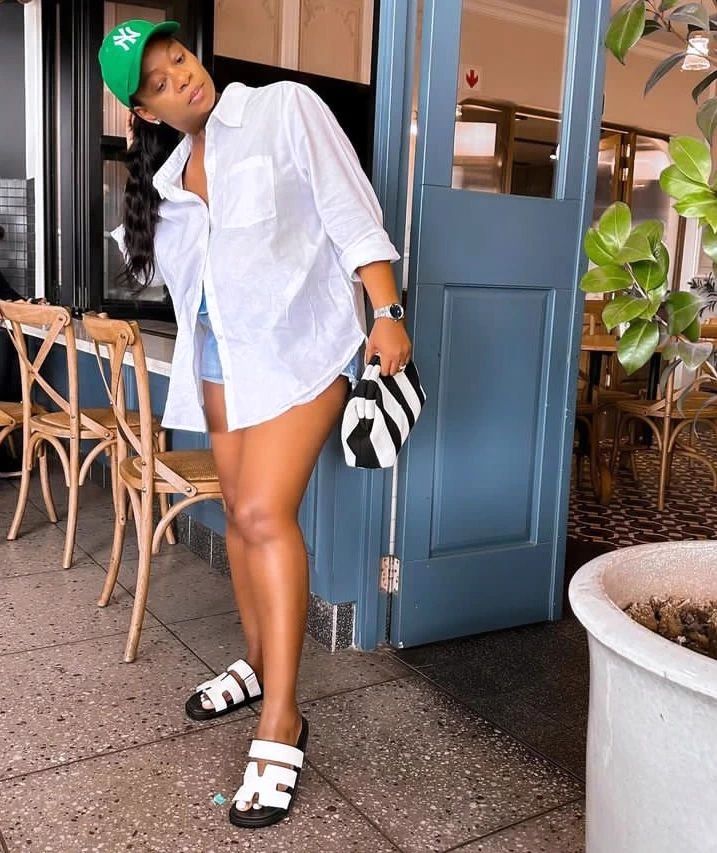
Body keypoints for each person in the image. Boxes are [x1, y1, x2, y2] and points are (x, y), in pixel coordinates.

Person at [98, 19, 411, 828]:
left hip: (301, 351)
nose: (182, 76)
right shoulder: (169, 178)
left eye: (179, 58)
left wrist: (386, 311)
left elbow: (350, 213)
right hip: (220, 363)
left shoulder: (283, 109)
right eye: (160, 81)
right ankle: (259, 660)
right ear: (146, 111)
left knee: (268, 514)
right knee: (239, 516)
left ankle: (282, 716)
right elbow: (192, 284)